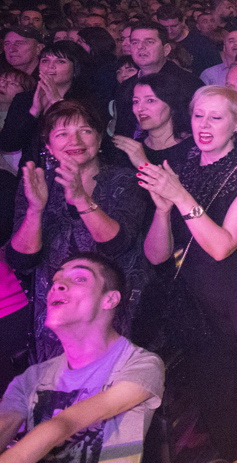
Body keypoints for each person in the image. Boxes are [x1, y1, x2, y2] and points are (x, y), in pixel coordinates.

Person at [139, 85, 237, 462]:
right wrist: (163, 210)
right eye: (199, 115)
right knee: (215, 398)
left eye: (216, 117)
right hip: (195, 304)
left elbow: (221, 246)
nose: (204, 124)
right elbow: (156, 255)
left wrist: (181, 197)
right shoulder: (180, 168)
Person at [0, 255, 164, 463]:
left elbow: (64, 424)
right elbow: (4, 425)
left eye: (78, 278)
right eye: (55, 280)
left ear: (110, 299)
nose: (58, 285)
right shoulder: (32, 378)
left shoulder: (140, 364)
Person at [9, 101, 149, 361]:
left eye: (85, 131)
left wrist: (81, 198)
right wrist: (35, 210)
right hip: (56, 312)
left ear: (98, 140)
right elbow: (21, 259)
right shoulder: (39, 184)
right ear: (49, 147)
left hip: (111, 308)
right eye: (62, 134)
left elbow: (117, 244)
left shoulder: (124, 180)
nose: (75, 140)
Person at [0, 41, 101, 164]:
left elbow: (91, 142)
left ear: (75, 68)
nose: (50, 66)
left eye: (60, 61)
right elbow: (9, 144)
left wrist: (57, 103)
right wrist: (34, 111)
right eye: (45, 61)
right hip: (33, 173)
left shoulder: (87, 101)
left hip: (72, 171)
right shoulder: (24, 99)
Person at [113, 22, 203, 138]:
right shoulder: (126, 86)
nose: (140, 47)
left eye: (149, 42)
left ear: (166, 49)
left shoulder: (188, 84)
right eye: (135, 42)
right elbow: (121, 131)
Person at [111, 71, 194, 169]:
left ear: (172, 105)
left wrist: (143, 164)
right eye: (136, 101)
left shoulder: (193, 149)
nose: (139, 108)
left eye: (150, 100)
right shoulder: (133, 149)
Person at [156, 5, 220, 73]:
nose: (169, 31)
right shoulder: (159, 43)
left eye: (174, 26)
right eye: (165, 27)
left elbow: (216, 71)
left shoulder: (202, 43)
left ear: (183, 21)